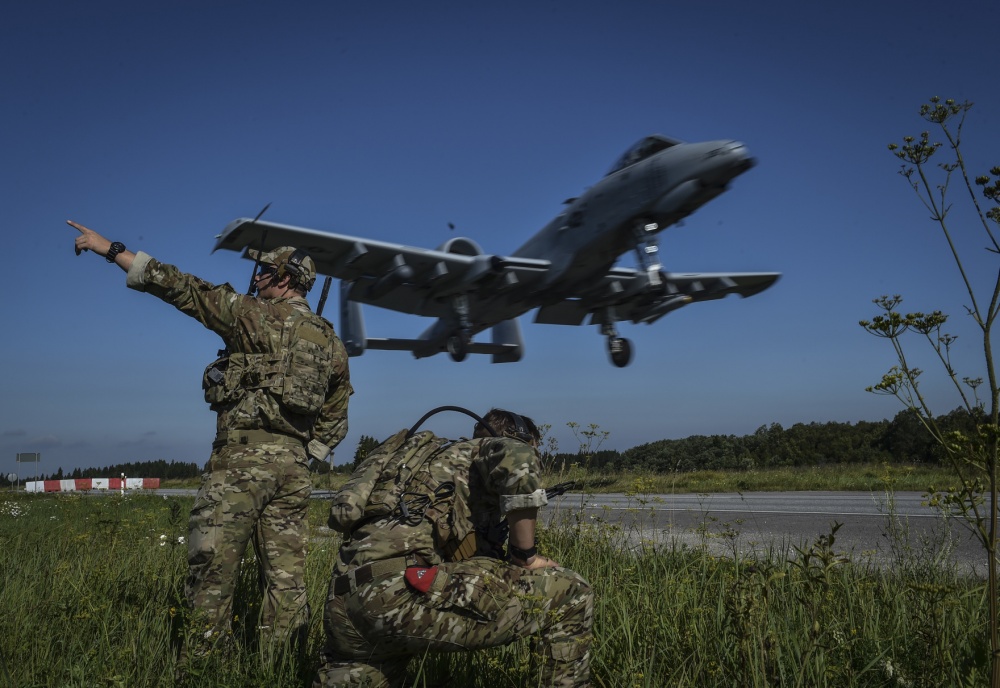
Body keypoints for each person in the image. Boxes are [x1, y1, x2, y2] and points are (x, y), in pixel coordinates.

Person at [68, 220, 352, 653]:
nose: (255, 278)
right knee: (287, 577)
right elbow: (337, 413)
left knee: (212, 569)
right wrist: (304, 452)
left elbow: (182, 288)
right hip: (294, 471)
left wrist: (111, 250)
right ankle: (282, 664)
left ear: (284, 279)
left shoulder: (251, 315)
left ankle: (205, 664)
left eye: (263, 272)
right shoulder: (331, 342)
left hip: (241, 463)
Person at [315, 408, 593, 687]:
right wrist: (525, 557)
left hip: (345, 604)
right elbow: (518, 456)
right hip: (395, 595)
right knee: (571, 592)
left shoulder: (423, 465)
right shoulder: (492, 449)